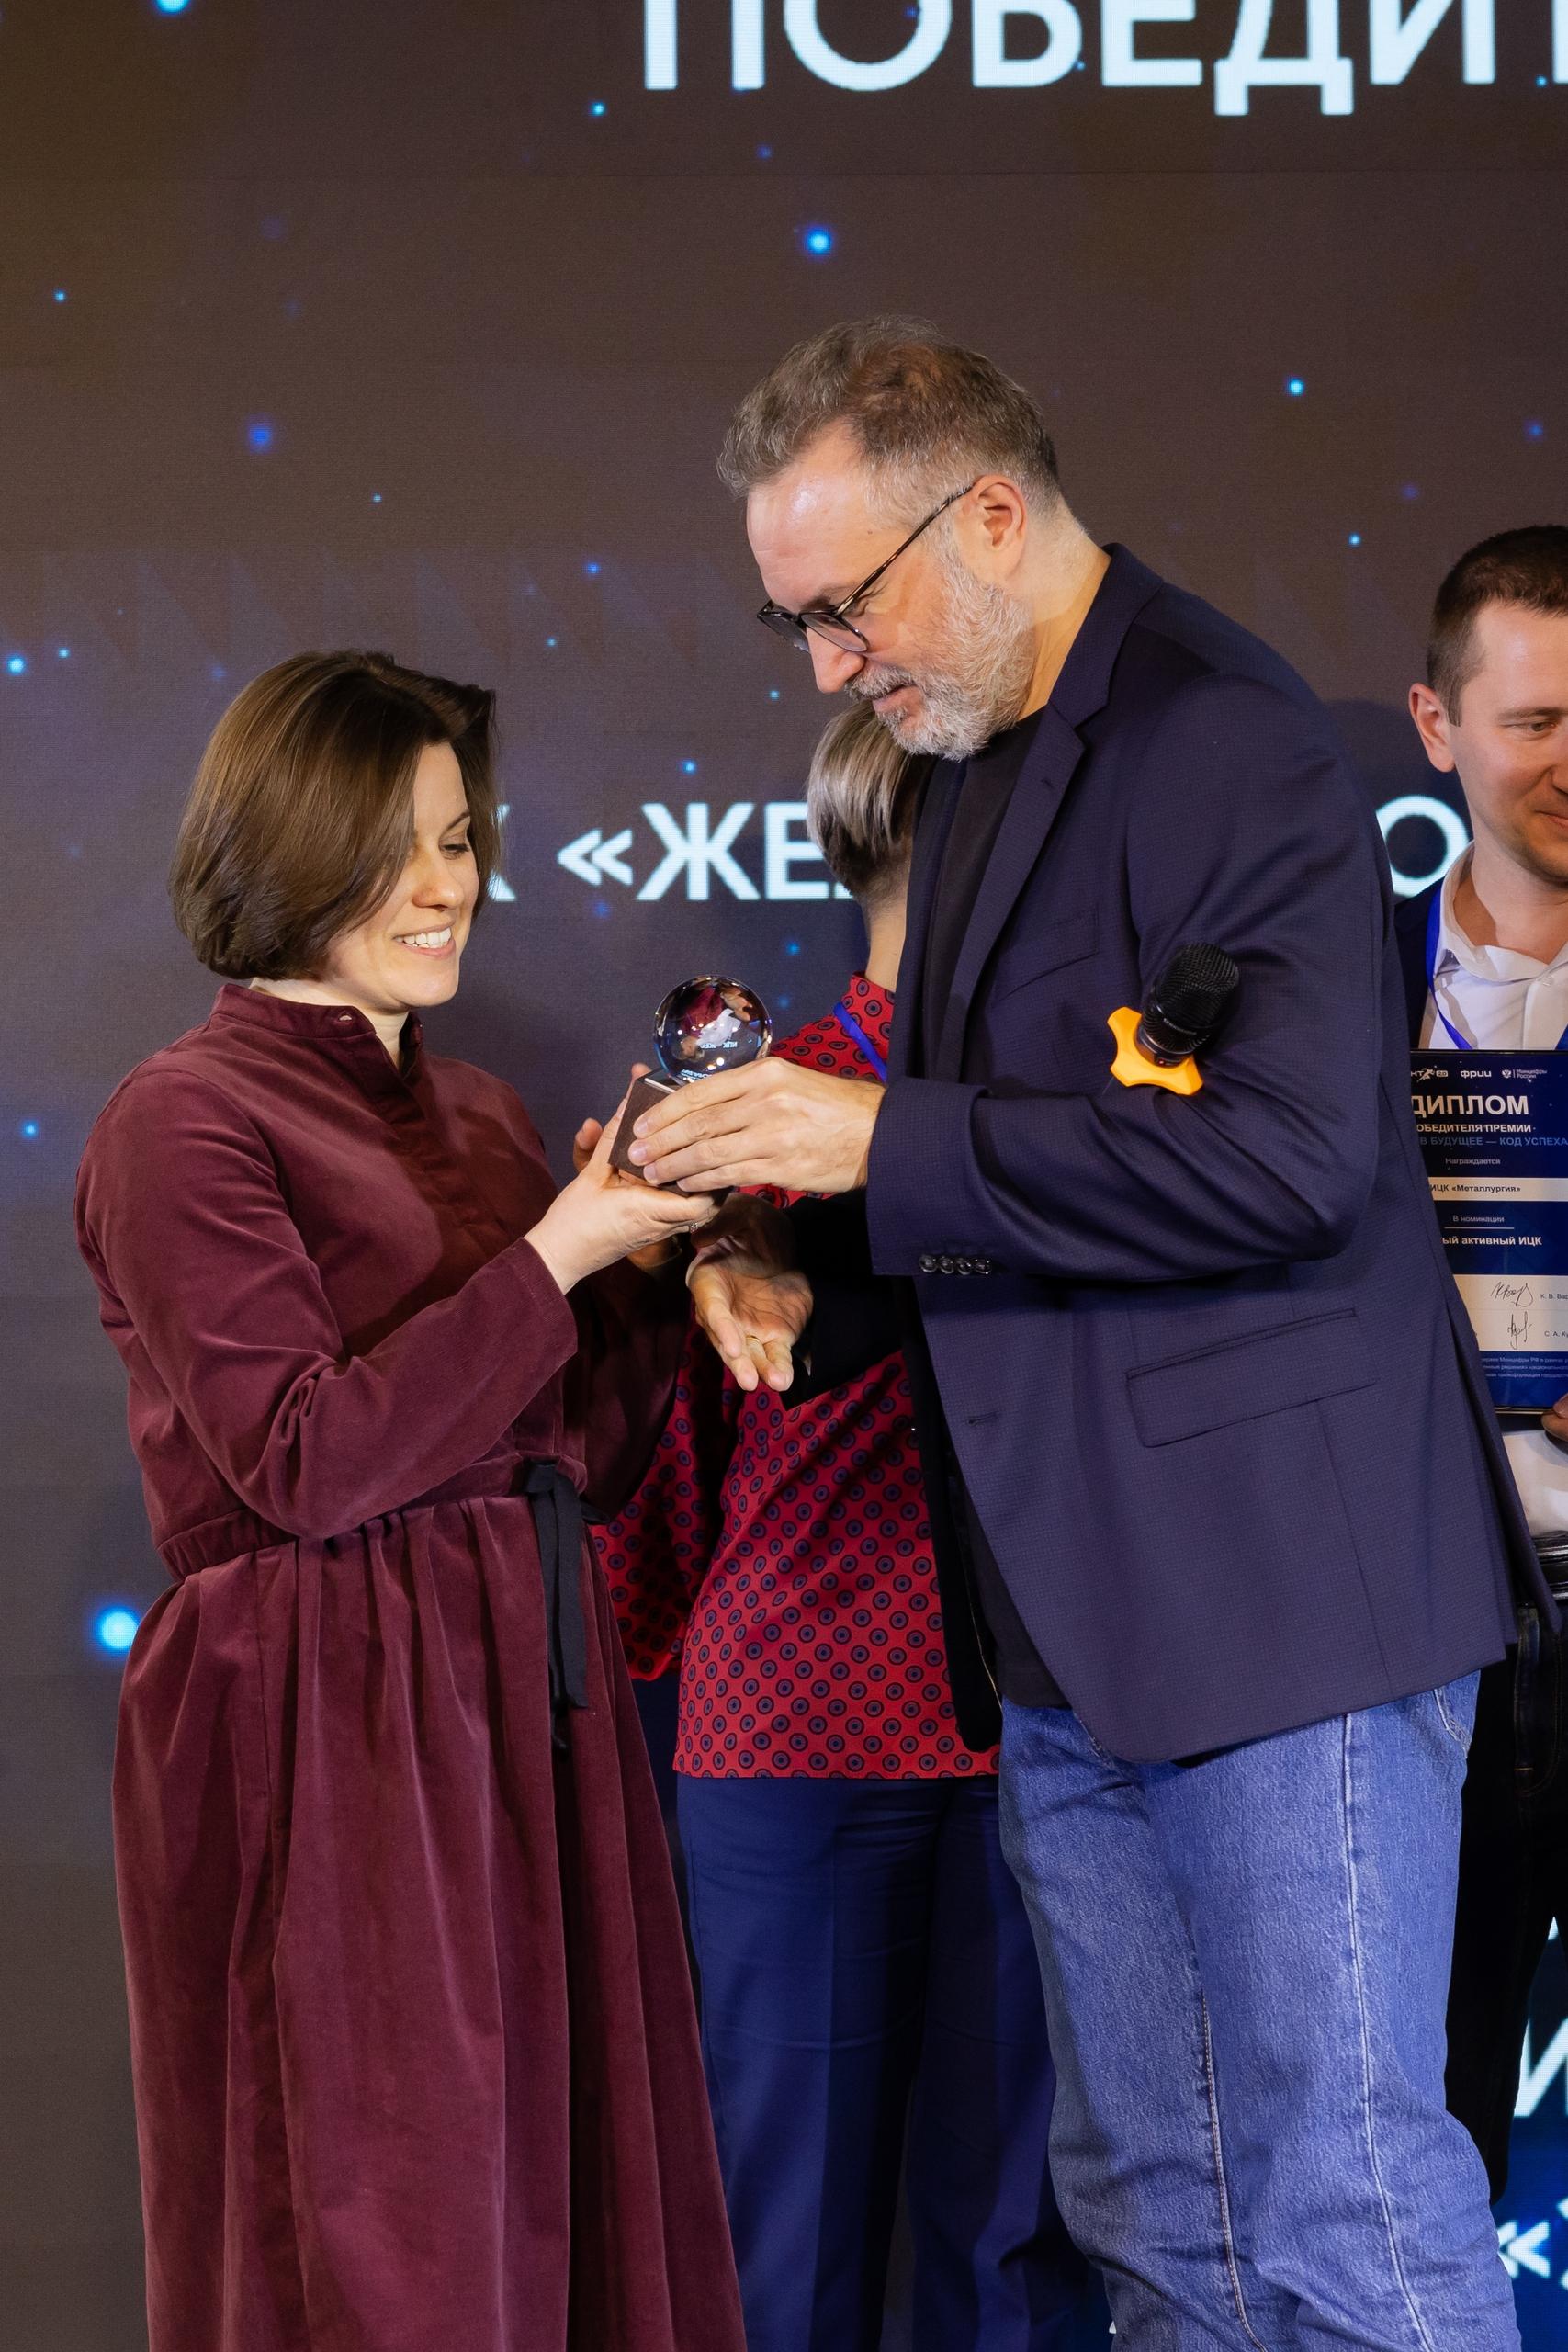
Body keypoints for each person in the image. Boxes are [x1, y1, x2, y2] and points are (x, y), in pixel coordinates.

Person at [627, 318, 1545, 2346]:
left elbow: (1292, 1160)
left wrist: (879, 1138)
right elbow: (1020, 1177)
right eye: (793, 623)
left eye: (844, 609)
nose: (826, 669)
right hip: (1068, 1637)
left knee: (1340, 2208)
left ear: (986, 515)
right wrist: (812, 1286)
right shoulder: (974, 764)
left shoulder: (1221, 734)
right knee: (1154, 2223)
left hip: (1283, 1619)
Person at [73, 651, 743, 2352]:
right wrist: (559, 1252)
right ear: (284, 851)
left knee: (561, 2216)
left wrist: (649, 1272)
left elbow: (579, 1454)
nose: (445, 887)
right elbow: (301, 1457)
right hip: (325, 1723)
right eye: (394, 849)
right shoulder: (182, 1119)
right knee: (384, 2232)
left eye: (456, 840)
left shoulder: (484, 1111)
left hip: (532, 1706)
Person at [600, 699, 1104, 2352]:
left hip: (1041, 1727)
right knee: (791, 2238)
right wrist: (685, 1262)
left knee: (1016, 2237)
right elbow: (651, 1455)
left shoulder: (1084, 1121)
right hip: (811, 1726)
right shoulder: (748, 1109)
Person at [1400, 526, 1568, 2199]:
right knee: (1424, 2145)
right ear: (1437, 728)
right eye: (1534, 722)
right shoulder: (1339, 986)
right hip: (1422, 1645)